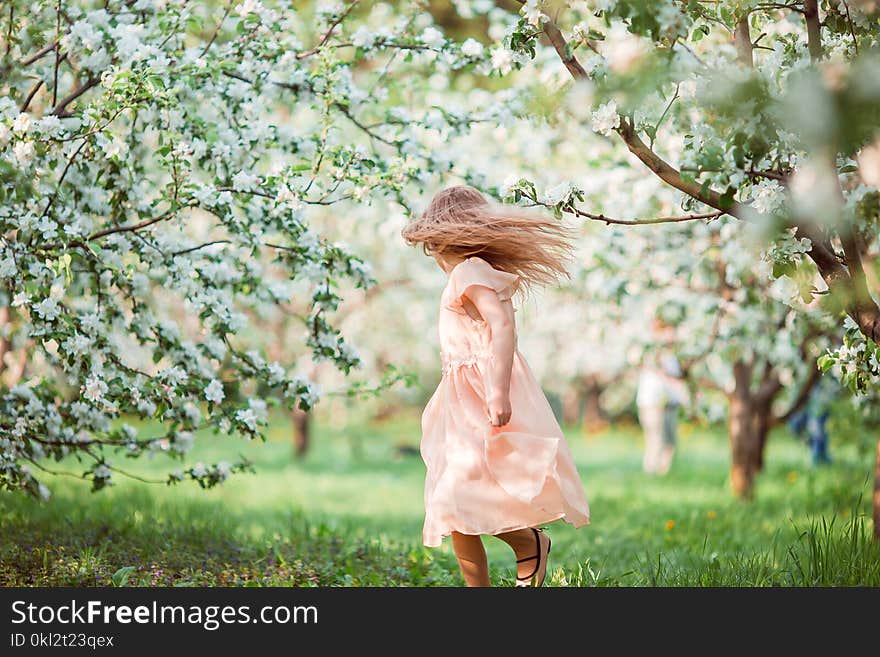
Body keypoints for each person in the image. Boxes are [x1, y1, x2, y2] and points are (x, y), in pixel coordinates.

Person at [401, 185, 590, 587]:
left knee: (460, 496)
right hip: (462, 397)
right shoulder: (470, 273)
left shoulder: (468, 271)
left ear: (441, 240)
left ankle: (528, 543)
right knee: (454, 506)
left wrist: (497, 391)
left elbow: (503, 327)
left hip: (478, 396)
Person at [637, 332, 687, 475]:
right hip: (652, 403)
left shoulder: (673, 357)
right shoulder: (651, 355)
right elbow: (665, 376)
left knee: (670, 442)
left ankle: (664, 473)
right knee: (656, 440)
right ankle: (651, 473)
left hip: (670, 405)